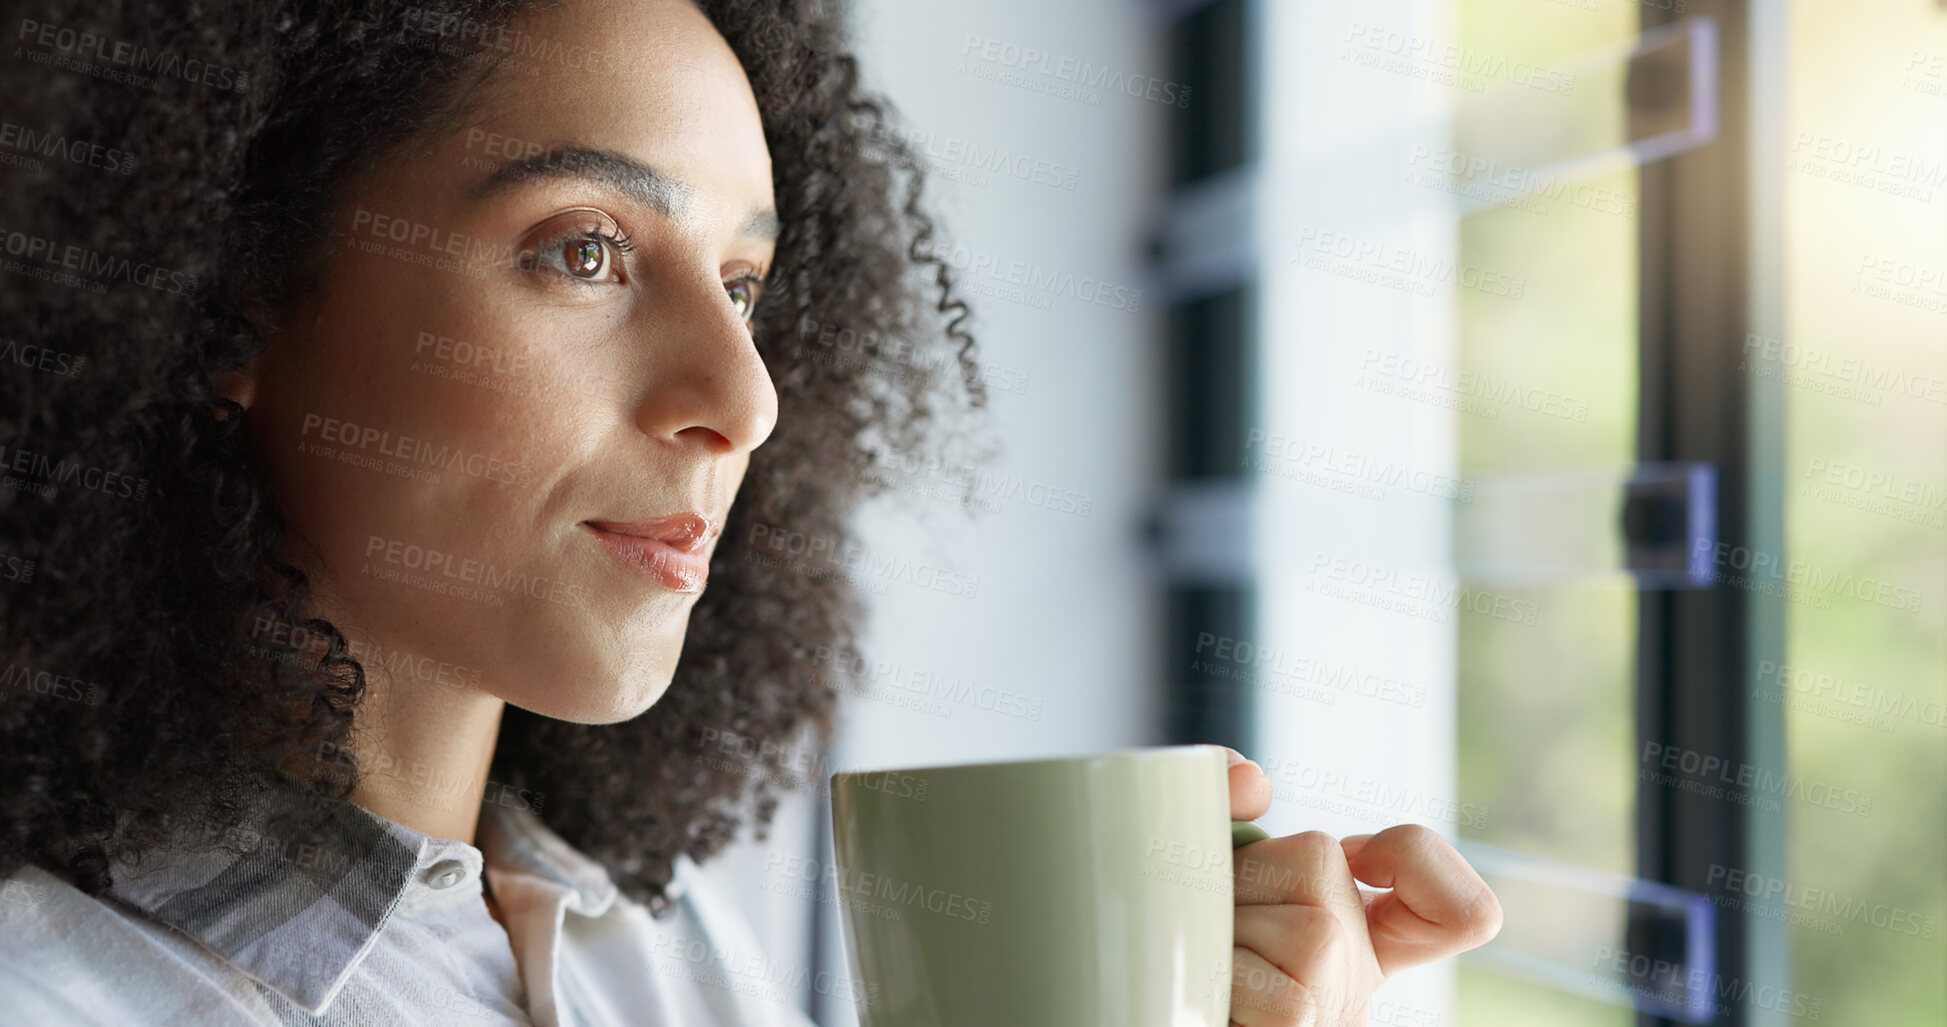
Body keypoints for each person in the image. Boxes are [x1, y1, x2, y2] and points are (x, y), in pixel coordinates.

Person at [0, 0, 1500, 1024]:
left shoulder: (654, 958)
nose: (744, 393)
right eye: (585, 253)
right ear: (224, 299)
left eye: (741, 284)